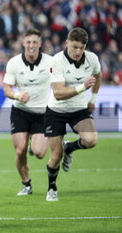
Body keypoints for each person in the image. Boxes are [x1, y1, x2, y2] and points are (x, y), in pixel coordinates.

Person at [45, 27, 101, 201]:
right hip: (56, 111)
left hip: (78, 109)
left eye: (81, 48)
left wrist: (93, 98)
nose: (78, 51)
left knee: (91, 140)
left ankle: (70, 147)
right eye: (74, 47)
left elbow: (97, 75)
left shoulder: (92, 59)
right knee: (55, 157)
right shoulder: (57, 61)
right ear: (66, 43)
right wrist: (83, 87)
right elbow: (58, 94)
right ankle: (52, 187)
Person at [3, 29, 52, 196]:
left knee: (39, 153)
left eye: (34, 42)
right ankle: (26, 184)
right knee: (19, 150)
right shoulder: (14, 63)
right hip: (21, 111)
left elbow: (61, 83)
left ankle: (34, 145)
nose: (31, 45)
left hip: (42, 113)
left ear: (40, 44)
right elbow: (7, 89)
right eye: (28, 42)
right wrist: (17, 95)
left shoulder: (51, 63)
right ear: (23, 43)